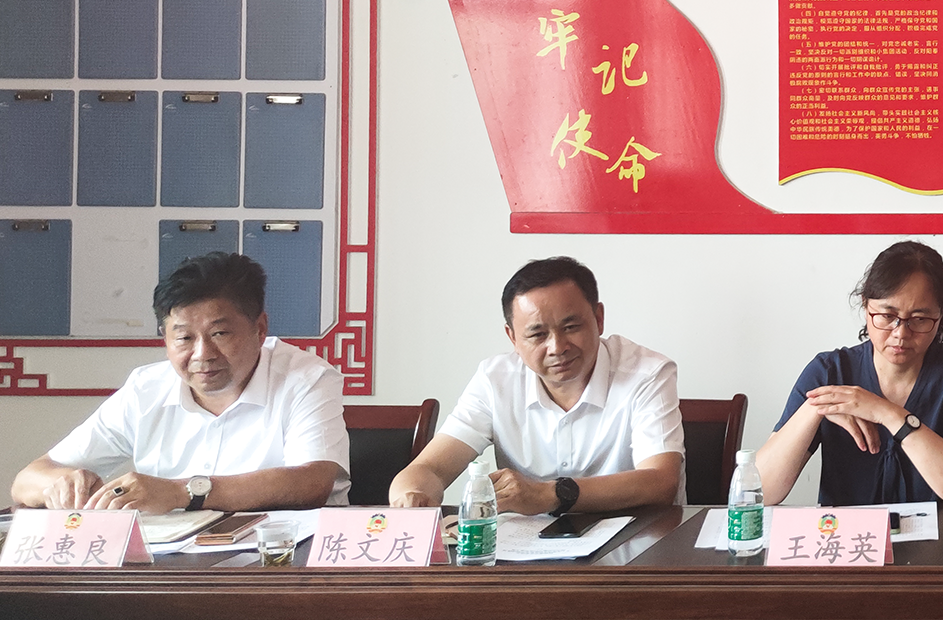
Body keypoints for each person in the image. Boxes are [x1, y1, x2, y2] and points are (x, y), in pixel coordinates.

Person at [10, 251, 349, 511]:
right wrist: (64, 484)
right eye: (184, 338)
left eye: (219, 334)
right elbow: (27, 480)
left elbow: (312, 481)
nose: (203, 354)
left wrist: (181, 492)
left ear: (260, 329)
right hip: (168, 564)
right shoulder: (146, 389)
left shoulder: (306, 379)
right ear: (165, 338)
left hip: (281, 559)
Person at [389, 256, 682, 514]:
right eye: (538, 335)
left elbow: (660, 482)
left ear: (599, 319)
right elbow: (429, 468)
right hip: (525, 548)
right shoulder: (495, 380)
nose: (557, 347)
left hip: (634, 543)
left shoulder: (646, 373)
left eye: (571, 327)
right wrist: (411, 495)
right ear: (513, 338)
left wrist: (548, 495)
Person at [755, 241, 943, 506]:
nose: (900, 333)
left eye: (919, 319)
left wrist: (887, 413)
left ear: (940, 316)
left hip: (938, 533)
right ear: (865, 306)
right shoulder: (829, 372)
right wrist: (816, 408)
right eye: (887, 316)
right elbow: (761, 492)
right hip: (843, 531)